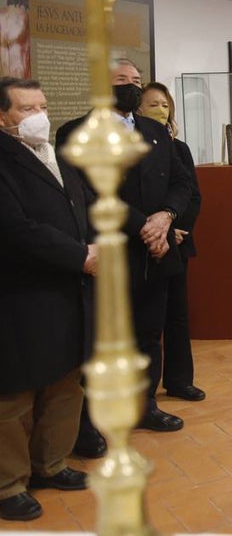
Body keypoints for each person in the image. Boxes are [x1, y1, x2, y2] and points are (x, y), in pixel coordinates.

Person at [57, 58, 196, 436]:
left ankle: (145, 404)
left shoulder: (154, 130)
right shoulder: (76, 132)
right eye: (122, 80)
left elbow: (182, 183)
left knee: (150, 334)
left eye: (136, 80)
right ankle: (93, 421)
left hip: (157, 252)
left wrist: (166, 216)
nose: (132, 86)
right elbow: (89, 193)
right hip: (112, 253)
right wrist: (145, 227)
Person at [0, 77, 93, 522]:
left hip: (66, 289)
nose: (38, 115)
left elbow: (78, 208)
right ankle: (8, 484)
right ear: (2, 117)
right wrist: (80, 255)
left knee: (64, 382)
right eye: (25, 109)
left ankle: (50, 463)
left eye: (42, 105)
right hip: (21, 293)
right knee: (15, 396)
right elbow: (16, 231)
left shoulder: (54, 153)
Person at [139, 82, 205, 403]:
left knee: (178, 314)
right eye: (153, 105)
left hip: (178, 240)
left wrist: (176, 228)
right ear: (138, 109)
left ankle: (180, 380)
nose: (161, 111)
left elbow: (192, 194)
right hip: (146, 242)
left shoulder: (179, 148)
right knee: (148, 320)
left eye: (165, 105)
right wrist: (159, 230)